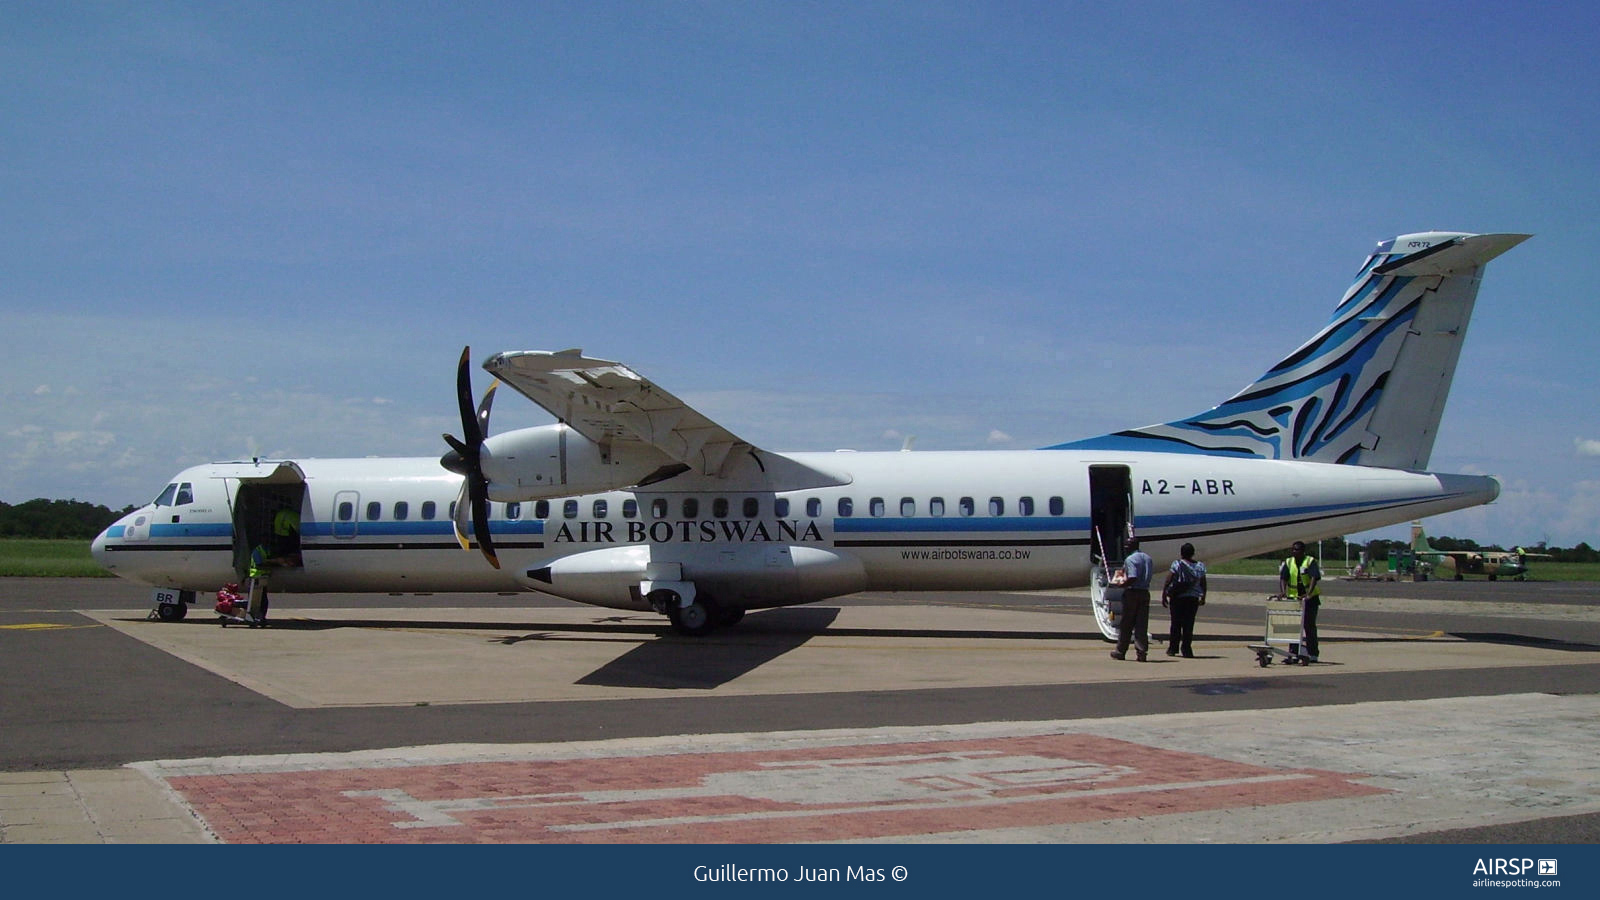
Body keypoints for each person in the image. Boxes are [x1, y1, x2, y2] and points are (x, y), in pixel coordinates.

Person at [1277, 540, 1322, 661]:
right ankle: (1293, 653)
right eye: (1293, 549)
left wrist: (1309, 593)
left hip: (1310, 600)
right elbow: (1283, 578)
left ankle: (1313, 654)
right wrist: (1283, 592)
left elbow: (1314, 577)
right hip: (1294, 598)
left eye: (1297, 550)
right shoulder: (1288, 561)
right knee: (1294, 627)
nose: (1294, 552)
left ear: (1303, 551)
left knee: (1309, 626)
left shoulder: (1310, 561)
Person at [1110, 537, 1153, 661]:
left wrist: (1121, 585)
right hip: (1145, 592)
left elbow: (1133, 577)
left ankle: (1121, 651)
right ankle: (1142, 652)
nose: (1125, 547)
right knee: (1142, 624)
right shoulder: (1147, 558)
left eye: (1127, 545)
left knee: (1126, 624)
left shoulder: (1130, 559)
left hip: (1133, 592)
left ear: (1133, 546)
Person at [1162, 542, 1207, 658]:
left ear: (1181, 553)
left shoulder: (1177, 564)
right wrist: (1203, 596)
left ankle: (1173, 648)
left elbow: (1169, 579)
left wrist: (1164, 593)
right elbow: (1203, 583)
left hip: (1178, 597)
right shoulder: (1200, 566)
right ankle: (1187, 649)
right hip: (1192, 599)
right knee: (1188, 624)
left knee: (1176, 623)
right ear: (1193, 553)